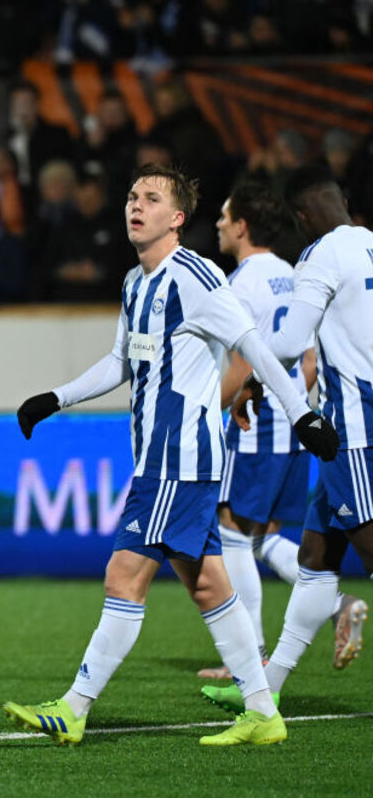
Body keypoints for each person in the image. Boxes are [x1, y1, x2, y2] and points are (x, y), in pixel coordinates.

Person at [6, 164, 339, 748]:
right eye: (132, 195)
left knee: (123, 575)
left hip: (177, 458)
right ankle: (263, 712)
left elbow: (253, 348)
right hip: (164, 460)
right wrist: (54, 398)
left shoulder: (197, 276)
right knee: (209, 586)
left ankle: (74, 707)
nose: (136, 205)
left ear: (177, 218)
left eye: (151, 198)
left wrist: (303, 416)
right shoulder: (138, 282)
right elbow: (120, 361)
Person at [202, 166, 373, 714]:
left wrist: (251, 378)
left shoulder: (319, 255)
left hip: (354, 429)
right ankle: (264, 690)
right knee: (315, 557)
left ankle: (256, 669)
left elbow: (295, 338)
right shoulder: (370, 243)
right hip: (331, 426)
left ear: (302, 218)